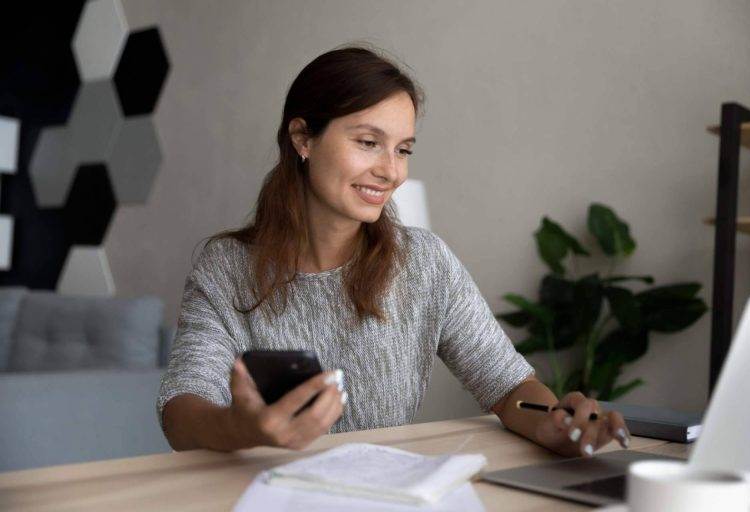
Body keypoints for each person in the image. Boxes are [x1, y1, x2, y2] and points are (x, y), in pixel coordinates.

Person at [158, 46, 630, 457]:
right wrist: (238, 428)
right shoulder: (226, 267)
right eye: (368, 143)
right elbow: (182, 408)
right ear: (302, 138)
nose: (391, 171)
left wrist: (553, 422)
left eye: (403, 150)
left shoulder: (423, 262)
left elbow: (508, 387)